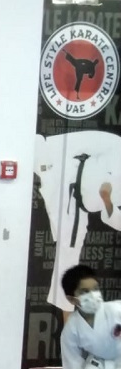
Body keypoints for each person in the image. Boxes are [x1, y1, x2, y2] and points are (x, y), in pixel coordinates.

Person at [34, 131, 121, 319]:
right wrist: (49, 163)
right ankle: (68, 323)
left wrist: (107, 200)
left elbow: (111, 217)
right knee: (69, 252)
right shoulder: (116, 145)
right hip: (68, 179)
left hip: (78, 203)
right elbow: (78, 142)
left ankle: (68, 323)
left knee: (69, 253)